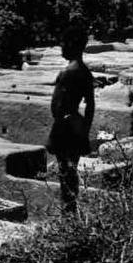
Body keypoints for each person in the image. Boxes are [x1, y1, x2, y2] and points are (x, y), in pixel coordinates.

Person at [47, 25, 95, 214]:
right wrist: (85, 128)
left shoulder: (68, 73)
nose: (61, 48)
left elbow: (58, 105)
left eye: (63, 44)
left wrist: (60, 122)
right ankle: (71, 212)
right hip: (76, 125)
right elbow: (90, 105)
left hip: (65, 127)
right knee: (70, 172)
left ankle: (68, 214)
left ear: (72, 46)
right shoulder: (85, 72)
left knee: (65, 174)